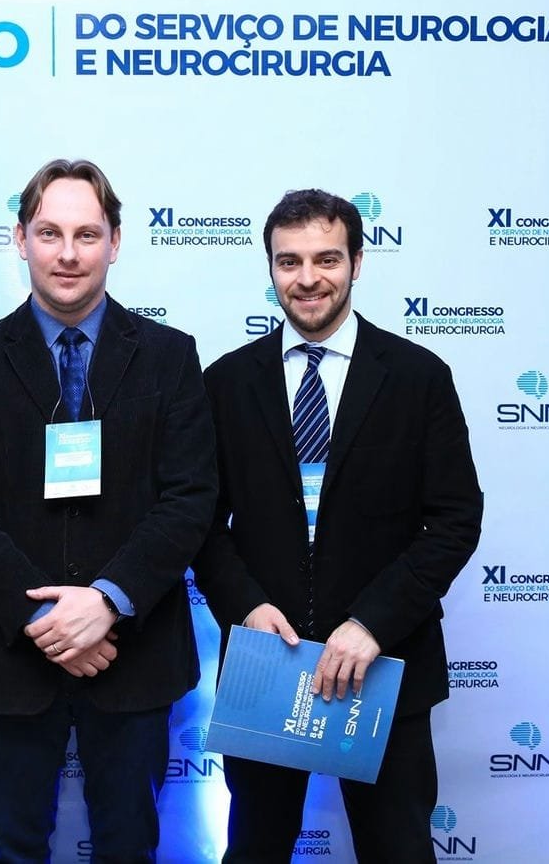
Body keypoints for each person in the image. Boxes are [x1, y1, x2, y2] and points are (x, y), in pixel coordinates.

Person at [0, 158, 217, 863]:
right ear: (20, 239)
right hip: (11, 656)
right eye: (50, 232)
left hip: (134, 654)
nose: (67, 253)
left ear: (115, 242)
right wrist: (47, 619)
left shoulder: (170, 356)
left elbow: (189, 497)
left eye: (87, 234)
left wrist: (108, 600)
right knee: (11, 848)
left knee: (129, 847)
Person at [193, 188, 483, 863]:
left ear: (357, 262)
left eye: (326, 258)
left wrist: (372, 623)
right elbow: (199, 522)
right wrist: (247, 607)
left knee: (397, 850)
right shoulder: (227, 382)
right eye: (288, 261)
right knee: (256, 849)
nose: (307, 278)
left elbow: (454, 519)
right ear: (271, 268)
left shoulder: (418, 377)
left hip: (386, 663)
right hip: (268, 663)